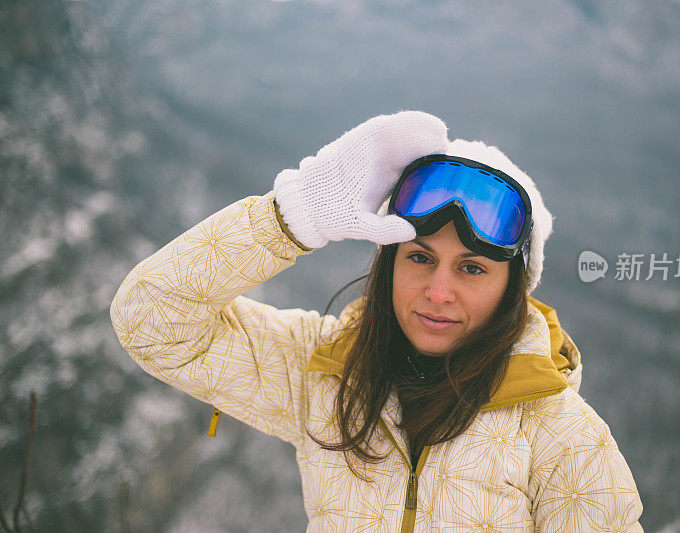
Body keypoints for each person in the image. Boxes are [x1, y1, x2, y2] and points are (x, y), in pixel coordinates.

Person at [110, 111, 643, 531]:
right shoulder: (326, 374)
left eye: (472, 268)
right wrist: (292, 217)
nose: (438, 292)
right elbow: (152, 317)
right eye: (419, 257)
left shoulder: (562, 438)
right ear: (388, 260)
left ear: (512, 290)